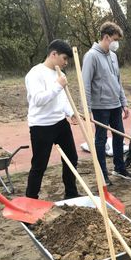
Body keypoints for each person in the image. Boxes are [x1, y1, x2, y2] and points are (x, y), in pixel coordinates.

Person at [25, 40, 80, 200]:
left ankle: (71, 194)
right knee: (39, 165)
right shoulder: (35, 74)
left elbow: (62, 99)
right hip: (41, 126)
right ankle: (31, 200)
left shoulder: (60, 74)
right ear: (53, 54)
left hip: (60, 123)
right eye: (64, 58)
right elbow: (38, 100)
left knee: (71, 158)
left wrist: (71, 112)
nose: (66, 62)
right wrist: (57, 85)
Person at [82, 22, 131, 185]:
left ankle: (119, 168)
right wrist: (87, 108)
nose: (116, 43)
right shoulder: (91, 56)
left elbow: (117, 81)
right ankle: (102, 174)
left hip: (115, 105)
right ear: (106, 37)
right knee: (101, 139)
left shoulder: (113, 56)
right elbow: (85, 83)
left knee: (119, 136)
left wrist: (124, 103)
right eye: (114, 39)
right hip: (100, 107)